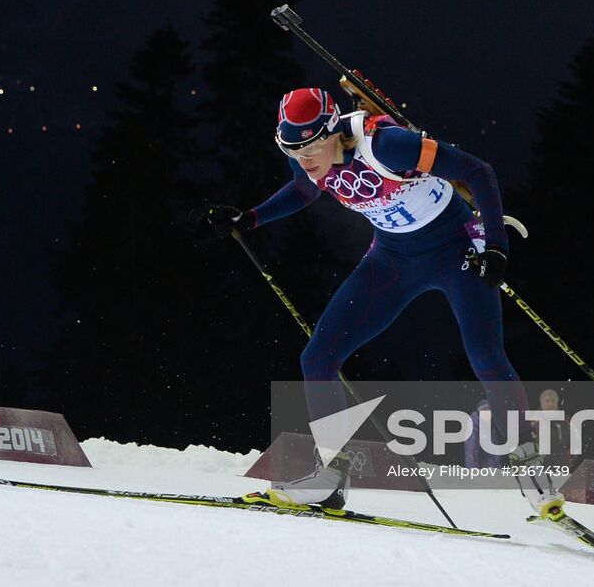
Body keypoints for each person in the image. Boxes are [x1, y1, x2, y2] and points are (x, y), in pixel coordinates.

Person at [207, 87, 561, 518]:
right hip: (393, 260)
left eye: (310, 146)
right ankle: (330, 480)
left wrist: (497, 245)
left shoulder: (387, 145)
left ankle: (531, 472)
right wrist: (252, 218)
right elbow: (304, 191)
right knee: (317, 358)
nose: (303, 158)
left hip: (456, 250)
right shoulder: (305, 153)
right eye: (291, 148)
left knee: (485, 355)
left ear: (333, 129)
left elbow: (478, 172)